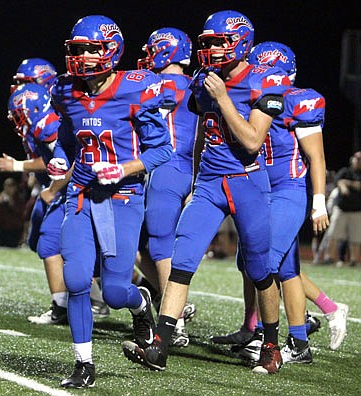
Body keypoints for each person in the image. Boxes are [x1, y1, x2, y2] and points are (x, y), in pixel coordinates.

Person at [122, 10, 291, 375]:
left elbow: (251, 140)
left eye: (220, 42)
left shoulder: (265, 80)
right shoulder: (202, 80)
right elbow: (200, 134)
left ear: (242, 42)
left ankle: (272, 346)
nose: (212, 49)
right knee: (181, 262)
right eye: (208, 43)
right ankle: (160, 347)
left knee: (261, 270)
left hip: (247, 183)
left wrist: (224, 97)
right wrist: (193, 180)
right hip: (210, 184)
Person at [46, 15, 172, 389]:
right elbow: (67, 139)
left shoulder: (136, 88)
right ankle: (83, 364)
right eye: (78, 49)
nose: (83, 57)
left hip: (124, 196)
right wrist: (60, 158)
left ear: (111, 51)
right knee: (77, 278)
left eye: (91, 49)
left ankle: (140, 305)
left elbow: (162, 149)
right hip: (81, 196)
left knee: (116, 293)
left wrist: (125, 168)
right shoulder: (66, 91)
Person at [212, 41, 348, 359]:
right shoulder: (248, 99)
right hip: (260, 190)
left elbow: (317, 158)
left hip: (288, 190)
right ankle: (292, 339)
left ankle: (268, 336)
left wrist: (318, 203)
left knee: (264, 263)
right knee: (280, 268)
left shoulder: (300, 101)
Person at [137, 27, 198, 347]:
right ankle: (170, 299)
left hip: (164, 167)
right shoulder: (195, 84)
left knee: (159, 243)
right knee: (140, 242)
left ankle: (173, 323)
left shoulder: (163, 85)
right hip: (186, 167)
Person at [0, 83, 69, 325]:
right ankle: (65, 305)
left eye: (19, 114)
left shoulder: (47, 124)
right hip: (59, 189)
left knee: (53, 244)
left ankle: (69, 305)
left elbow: (66, 162)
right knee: (45, 243)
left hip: (69, 190)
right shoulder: (40, 125)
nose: (16, 120)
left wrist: (51, 188)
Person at [326, 151, 361, 267]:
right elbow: (338, 181)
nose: (358, 161)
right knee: (333, 235)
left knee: (356, 238)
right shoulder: (345, 171)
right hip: (341, 208)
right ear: (352, 160)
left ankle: (354, 260)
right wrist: (343, 184)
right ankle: (330, 258)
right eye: (357, 159)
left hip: (356, 210)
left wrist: (347, 183)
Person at [0, 178, 25, 247]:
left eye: (11, 186)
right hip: (1, 228)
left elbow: (21, 211)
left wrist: (11, 203)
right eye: (7, 186)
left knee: (12, 248)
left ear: (15, 188)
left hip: (14, 230)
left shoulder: (19, 199)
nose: (9, 188)